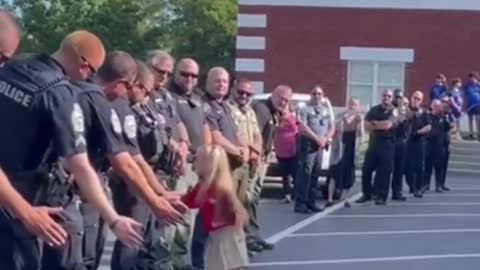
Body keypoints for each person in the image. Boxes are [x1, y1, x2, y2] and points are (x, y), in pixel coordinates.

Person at [0, 30, 142, 270]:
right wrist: (113, 218)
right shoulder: (60, 93)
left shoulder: (13, 67)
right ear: (84, 65)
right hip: (27, 207)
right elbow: (81, 166)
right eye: (92, 72)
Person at [146, 51, 193, 269]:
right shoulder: (143, 95)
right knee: (158, 227)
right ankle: (162, 263)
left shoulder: (166, 95)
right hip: (154, 169)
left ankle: (177, 261)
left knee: (178, 220)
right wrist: (172, 144)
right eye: (160, 71)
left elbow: (178, 122)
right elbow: (155, 128)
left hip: (174, 167)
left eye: (167, 72)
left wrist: (183, 143)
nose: (164, 76)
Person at [168, 58, 210, 269]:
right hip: (177, 165)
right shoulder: (168, 97)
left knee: (189, 218)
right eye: (185, 74)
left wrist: (207, 156)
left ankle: (180, 259)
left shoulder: (199, 98)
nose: (189, 79)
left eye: (194, 75)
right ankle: (171, 261)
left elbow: (204, 128)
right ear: (176, 73)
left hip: (196, 165)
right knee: (175, 215)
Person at [182, 145, 249, 270]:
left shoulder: (217, 189)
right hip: (217, 237)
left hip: (224, 238)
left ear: (207, 164)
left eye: (197, 159)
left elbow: (187, 202)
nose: (194, 162)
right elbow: (187, 201)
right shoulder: (206, 186)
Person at [228, 78, 273, 256]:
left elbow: (257, 135)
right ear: (233, 90)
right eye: (240, 92)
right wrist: (254, 150)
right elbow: (238, 136)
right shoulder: (228, 109)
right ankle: (232, 248)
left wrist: (256, 154)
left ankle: (243, 244)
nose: (244, 96)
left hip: (248, 164)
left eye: (248, 94)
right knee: (231, 207)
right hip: (232, 164)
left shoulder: (250, 112)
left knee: (244, 204)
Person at [295, 85, 335, 213]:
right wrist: (317, 138)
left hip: (320, 147)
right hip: (308, 146)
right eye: (314, 93)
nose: (317, 96)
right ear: (310, 95)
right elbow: (302, 127)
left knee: (315, 175)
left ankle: (311, 202)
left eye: (319, 94)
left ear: (322, 96)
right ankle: (301, 203)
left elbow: (332, 126)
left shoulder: (325, 111)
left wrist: (327, 138)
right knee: (305, 174)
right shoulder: (304, 109)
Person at [357, 89, 397, 205]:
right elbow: (365, 124)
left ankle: (381, 196)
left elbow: (388, 125)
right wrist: (378, 125)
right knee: (366, 169)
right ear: (382, 97)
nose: (386, 98)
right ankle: (367, 194)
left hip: (387, 143)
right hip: (374, 142)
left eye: (389, 96)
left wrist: (374, 124)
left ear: (391, 98)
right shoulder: (374, 109)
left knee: (384, 171)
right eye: (385, 96)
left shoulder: (394, 111)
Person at [326, 97, 364, 208]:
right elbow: (333, 129)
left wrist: (360, 122)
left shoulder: (358, 118)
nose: (353, 106)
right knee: (334, 171)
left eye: (355, 105)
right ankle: (330, 198)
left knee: (349, 173)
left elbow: (361, 135)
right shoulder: (340, 117)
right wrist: (328, 139)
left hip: (351, 148)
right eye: (351, 104)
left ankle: (345, 198)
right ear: (348, 104)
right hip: (339, 147)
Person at [404, 91, 431, 197]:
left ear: (421, 101)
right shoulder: (406, 110)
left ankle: (418, 188)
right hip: (407, 142)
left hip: (419, 142)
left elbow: (429, 126)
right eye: (415, 98)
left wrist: (419, 132)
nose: (416, 100)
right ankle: (411, 186)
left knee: (419, 166)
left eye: (418, 99)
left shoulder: (423, 113)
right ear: (411, 98)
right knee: (407, 167)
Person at [273, 101, 298, 204]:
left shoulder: (293, 118)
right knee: (285, 174)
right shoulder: (276, 119)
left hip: (292, 150)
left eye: (285, 107)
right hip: (280, 151)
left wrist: (287, 117)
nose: (283, 108)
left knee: (295, 173)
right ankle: (287, 195)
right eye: (281, 106)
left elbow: (297, 130)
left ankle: (296, 194)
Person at [424, 100, 452, 192]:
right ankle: (426, 184)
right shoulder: (427, 117)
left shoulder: (443, 117)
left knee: (439, 166)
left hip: (439, 145)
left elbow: (447, 130)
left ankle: (439, 185)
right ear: (432, 106)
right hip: (428, 143)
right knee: (427, 165)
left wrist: (449, 143)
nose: (438, 108)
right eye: (436, 106)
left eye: (438, 106)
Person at [391, 90, 409, 201]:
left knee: (399, 169)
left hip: (401, 142)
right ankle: (379, 193)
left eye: (401, 97)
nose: (399, 99)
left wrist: (403, 110)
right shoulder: (391, 109)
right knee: (386, 169)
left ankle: (397, 192)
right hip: (390, 141)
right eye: (397, 97)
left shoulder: (405, 111)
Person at [463, 72, 480, 140]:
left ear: (476, 78)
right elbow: (464, 95)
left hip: (477, 105)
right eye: (470, 78)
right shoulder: (467, 86)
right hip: (469, 105)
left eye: (473, 77)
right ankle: (471, 134)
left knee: (478, 119)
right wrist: (464, 105)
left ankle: (478, 134)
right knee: (470, 119)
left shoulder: (479, 85)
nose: (471, 79)